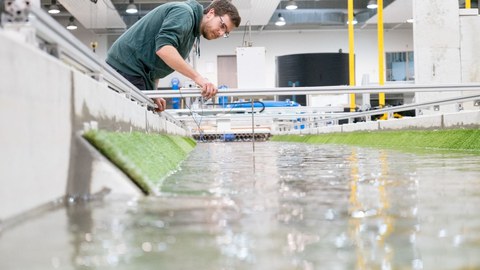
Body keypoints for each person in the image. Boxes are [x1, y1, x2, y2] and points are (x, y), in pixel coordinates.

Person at [106, 0, 241, 112]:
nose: (221, 33)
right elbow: (164, 49)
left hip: (137, 74)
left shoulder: (191, 33)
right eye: (222, 25)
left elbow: (157, 64)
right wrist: (199, 78)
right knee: (133, 127)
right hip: (126, 69)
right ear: (211, 13)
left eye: (226, 32)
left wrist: (154, 93)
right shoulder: (184, 13)